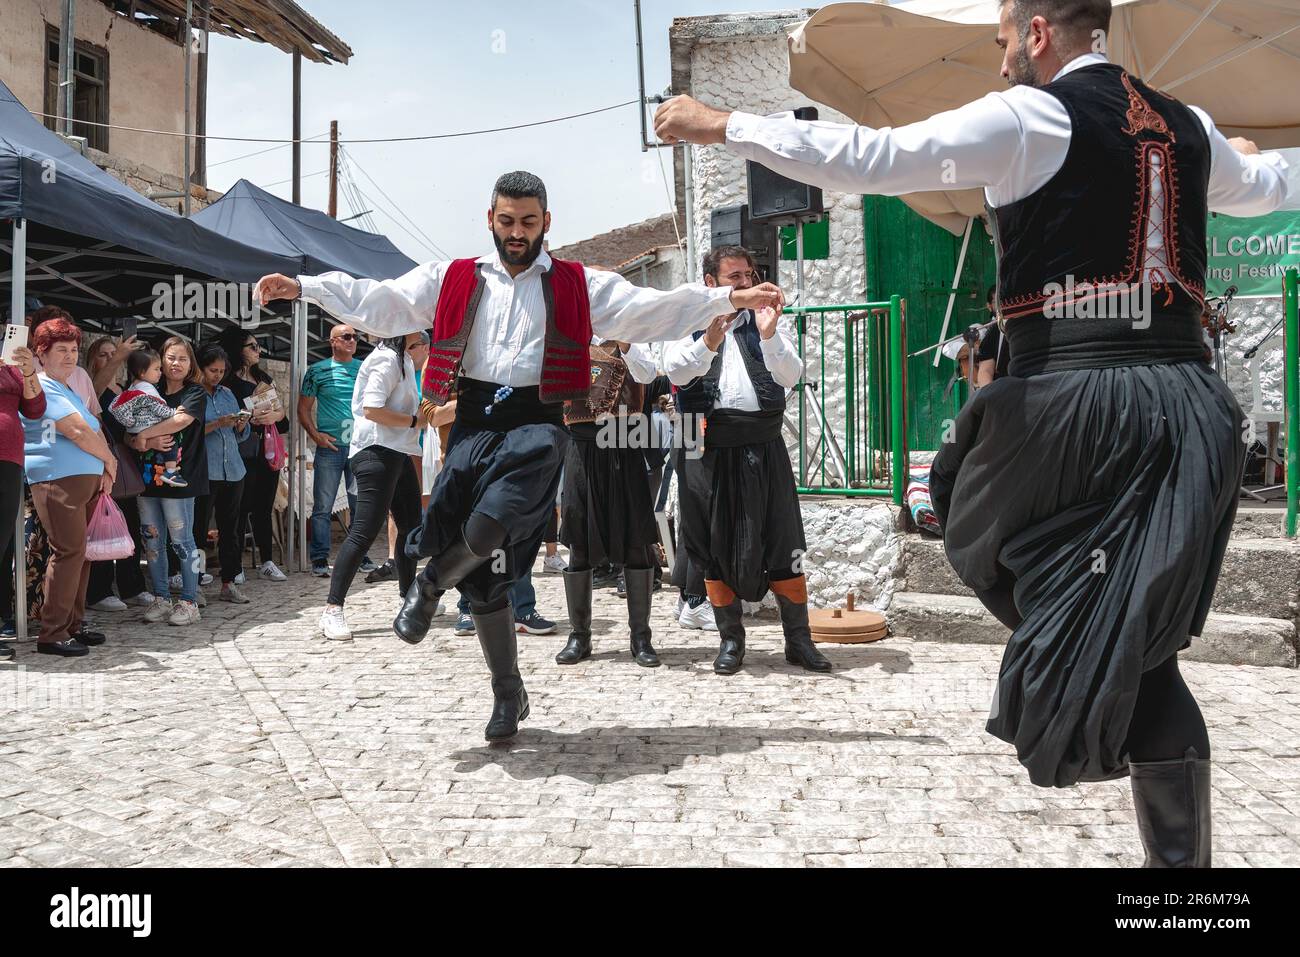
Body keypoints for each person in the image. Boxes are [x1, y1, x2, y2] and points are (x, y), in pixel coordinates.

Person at [654, 0, 1290, 867]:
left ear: (1037, 33)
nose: (997, 66)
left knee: (967, 515)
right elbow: (1270, 187)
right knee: (1144, 645)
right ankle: (1179, 880)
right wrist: (1242, 158)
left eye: (1000, 45)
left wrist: (723, 122)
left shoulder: (1030, 114)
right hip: (1185, 407)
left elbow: (868, 157)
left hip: (1075, 405)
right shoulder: (1190, 128)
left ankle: (1089, 676)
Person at [255, 170, 780, 741]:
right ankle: (508, 691)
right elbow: (384, 302)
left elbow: (650, 309)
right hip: (474, 422)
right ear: (490, 219)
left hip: (538, 420)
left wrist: (728, 297)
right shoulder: (452, 277)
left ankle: (429, 585)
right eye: (506, 220)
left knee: (499, 512)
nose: (516, 232)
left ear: (546, 223)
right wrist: (305, 287)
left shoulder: (580, 284)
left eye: (528, 222)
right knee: (483, 574)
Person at [663, 246, 832, 676]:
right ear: (710, 283)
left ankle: (799, 640)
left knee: (783, 541)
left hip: (764, 445)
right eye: (733, 277)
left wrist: (771, 335)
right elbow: (677, 372)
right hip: (709, 449)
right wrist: (711, 339)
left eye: (747, 274)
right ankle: (731, 641)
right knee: (714, 545)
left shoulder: (768, 320)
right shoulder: (689, 320)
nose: (743, 283)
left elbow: (791, 376)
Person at [556, 339, 663, 667]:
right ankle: (579, 635)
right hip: (581, 446)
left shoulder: (633, 335)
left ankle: (640, 636)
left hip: (624, 444)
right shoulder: (570, 337)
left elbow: (647, 375)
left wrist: (627, 343)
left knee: (636, 544)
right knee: (578, 542)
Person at [317, 332, 429, 641]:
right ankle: (332, 609)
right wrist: (413, 421)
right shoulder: (386, 359)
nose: (423, 330)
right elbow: (372, 409)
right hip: (376, 451)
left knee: (410, 525)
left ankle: (409, 597)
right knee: (364, 532)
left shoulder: (403, 358)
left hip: (397, 452)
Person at [20, 317, 114, 657]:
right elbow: (77, 430)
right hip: (57, 478)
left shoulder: (68, 388)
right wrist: (111, 461)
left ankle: (73, 624)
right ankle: (53, 632)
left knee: (81, 554)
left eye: (74, 350)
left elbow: (91, 426)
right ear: (41, 354)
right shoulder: (42, 384)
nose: (71, 356)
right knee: (69, 551)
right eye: (62, 350)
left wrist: (103, 464)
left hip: (79, 480)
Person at [129, 337, 209, 626]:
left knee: (184, 541)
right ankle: (161, 597)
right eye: (171, 357)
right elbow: (129, 427)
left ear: (191, 364)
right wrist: (137, 440)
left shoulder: (195, 392)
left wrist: (145, 436)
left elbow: (181, 421)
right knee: (151, 539)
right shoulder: (149, 391)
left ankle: (189, 600)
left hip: (182, 480)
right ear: (160, 360)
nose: (176, 363)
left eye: (183, 359)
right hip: (148, 478)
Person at [84, 336, 152, 613]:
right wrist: (118, 358)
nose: (111, 357)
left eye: (114, 353)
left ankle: (131, 585)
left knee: (129, 526)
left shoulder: (124, 388)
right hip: (100, 464)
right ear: (93, 359)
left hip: (125, 462)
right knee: (102, 525)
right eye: (104, 354)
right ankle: (98, 591)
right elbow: (93, 399)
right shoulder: (91, 386)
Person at [215, 327, 288, 583]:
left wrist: (275, 414)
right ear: (238, 350)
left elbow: (283, 419)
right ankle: (235, 565)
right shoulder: (227, 383)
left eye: (259, 346)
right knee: (238, 509)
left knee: (263, 507)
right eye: (252, 346)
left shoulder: (263, 377)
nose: (258, 351)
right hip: (240, 451)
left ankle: (267, 560)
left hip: (265, 452)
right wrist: (254, 413)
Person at [299, 323, 366, 578]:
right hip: (330, 447)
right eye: (346, 336)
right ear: (332, 341)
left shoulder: (363, 369)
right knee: (322, 506)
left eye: (355, 337)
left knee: (360, 506)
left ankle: (361, 556)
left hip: (359, 447)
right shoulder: (317, 371)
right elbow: (302, 409)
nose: (352, 340)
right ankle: (319, 558)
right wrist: (316, 435)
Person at [195, 345, 251, 603]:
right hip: (206, 470)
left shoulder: (227, 393)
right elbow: (189, 435)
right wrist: (218, 423)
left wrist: (241, 425)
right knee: (198, 530)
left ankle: (229, 581)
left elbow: (240, 436)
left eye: (221, 371)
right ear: (201, 369)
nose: (217, 375)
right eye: (212, 370)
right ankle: (193, 584)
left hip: (233, 469)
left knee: (231, 530)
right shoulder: (194, 394)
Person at [0, 342, 45, 661]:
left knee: (2, 545)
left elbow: (35, 409)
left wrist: (28, 369)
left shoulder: (12, 363)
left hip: (10, 459)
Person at [109, 348, 188, 487]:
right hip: (147, 426)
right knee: (171, 442)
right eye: (156, 369)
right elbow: (158, 408)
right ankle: (170, 472)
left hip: (136, 430)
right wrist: (174, 412)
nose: (160, 372)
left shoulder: (133, 388)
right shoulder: (148, 389)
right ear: (142, 372)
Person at [975, 287, 1009, 386]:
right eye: (997, 302)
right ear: (989, 306)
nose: (1002, 305)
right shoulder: (989, 329)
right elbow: (986, 371)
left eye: (1004, 300)